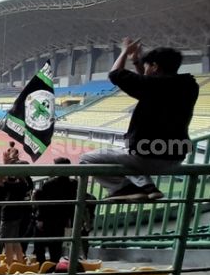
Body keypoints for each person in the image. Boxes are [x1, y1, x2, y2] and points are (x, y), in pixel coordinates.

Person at [80, 38, 199, 200]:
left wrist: (124, 51)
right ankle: (148, 187)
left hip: (148, 157)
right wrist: (136, 61)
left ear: (155, 67)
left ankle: (122, 189)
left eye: (148, 66)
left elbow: (115, 74)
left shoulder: (153, 87)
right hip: (176, 157)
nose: (145, 69)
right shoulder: (189, 86)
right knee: (126, 156)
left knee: (87, 159)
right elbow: (150, 83)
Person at [32, 157, 77, 264]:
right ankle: (53, 267)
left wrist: (40, 219)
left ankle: (42, 266)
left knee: (39, 245)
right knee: (56, 247)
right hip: (62, 220)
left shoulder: (49, 184)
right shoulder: (74, 183)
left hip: (47, 219)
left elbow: (43, 204)